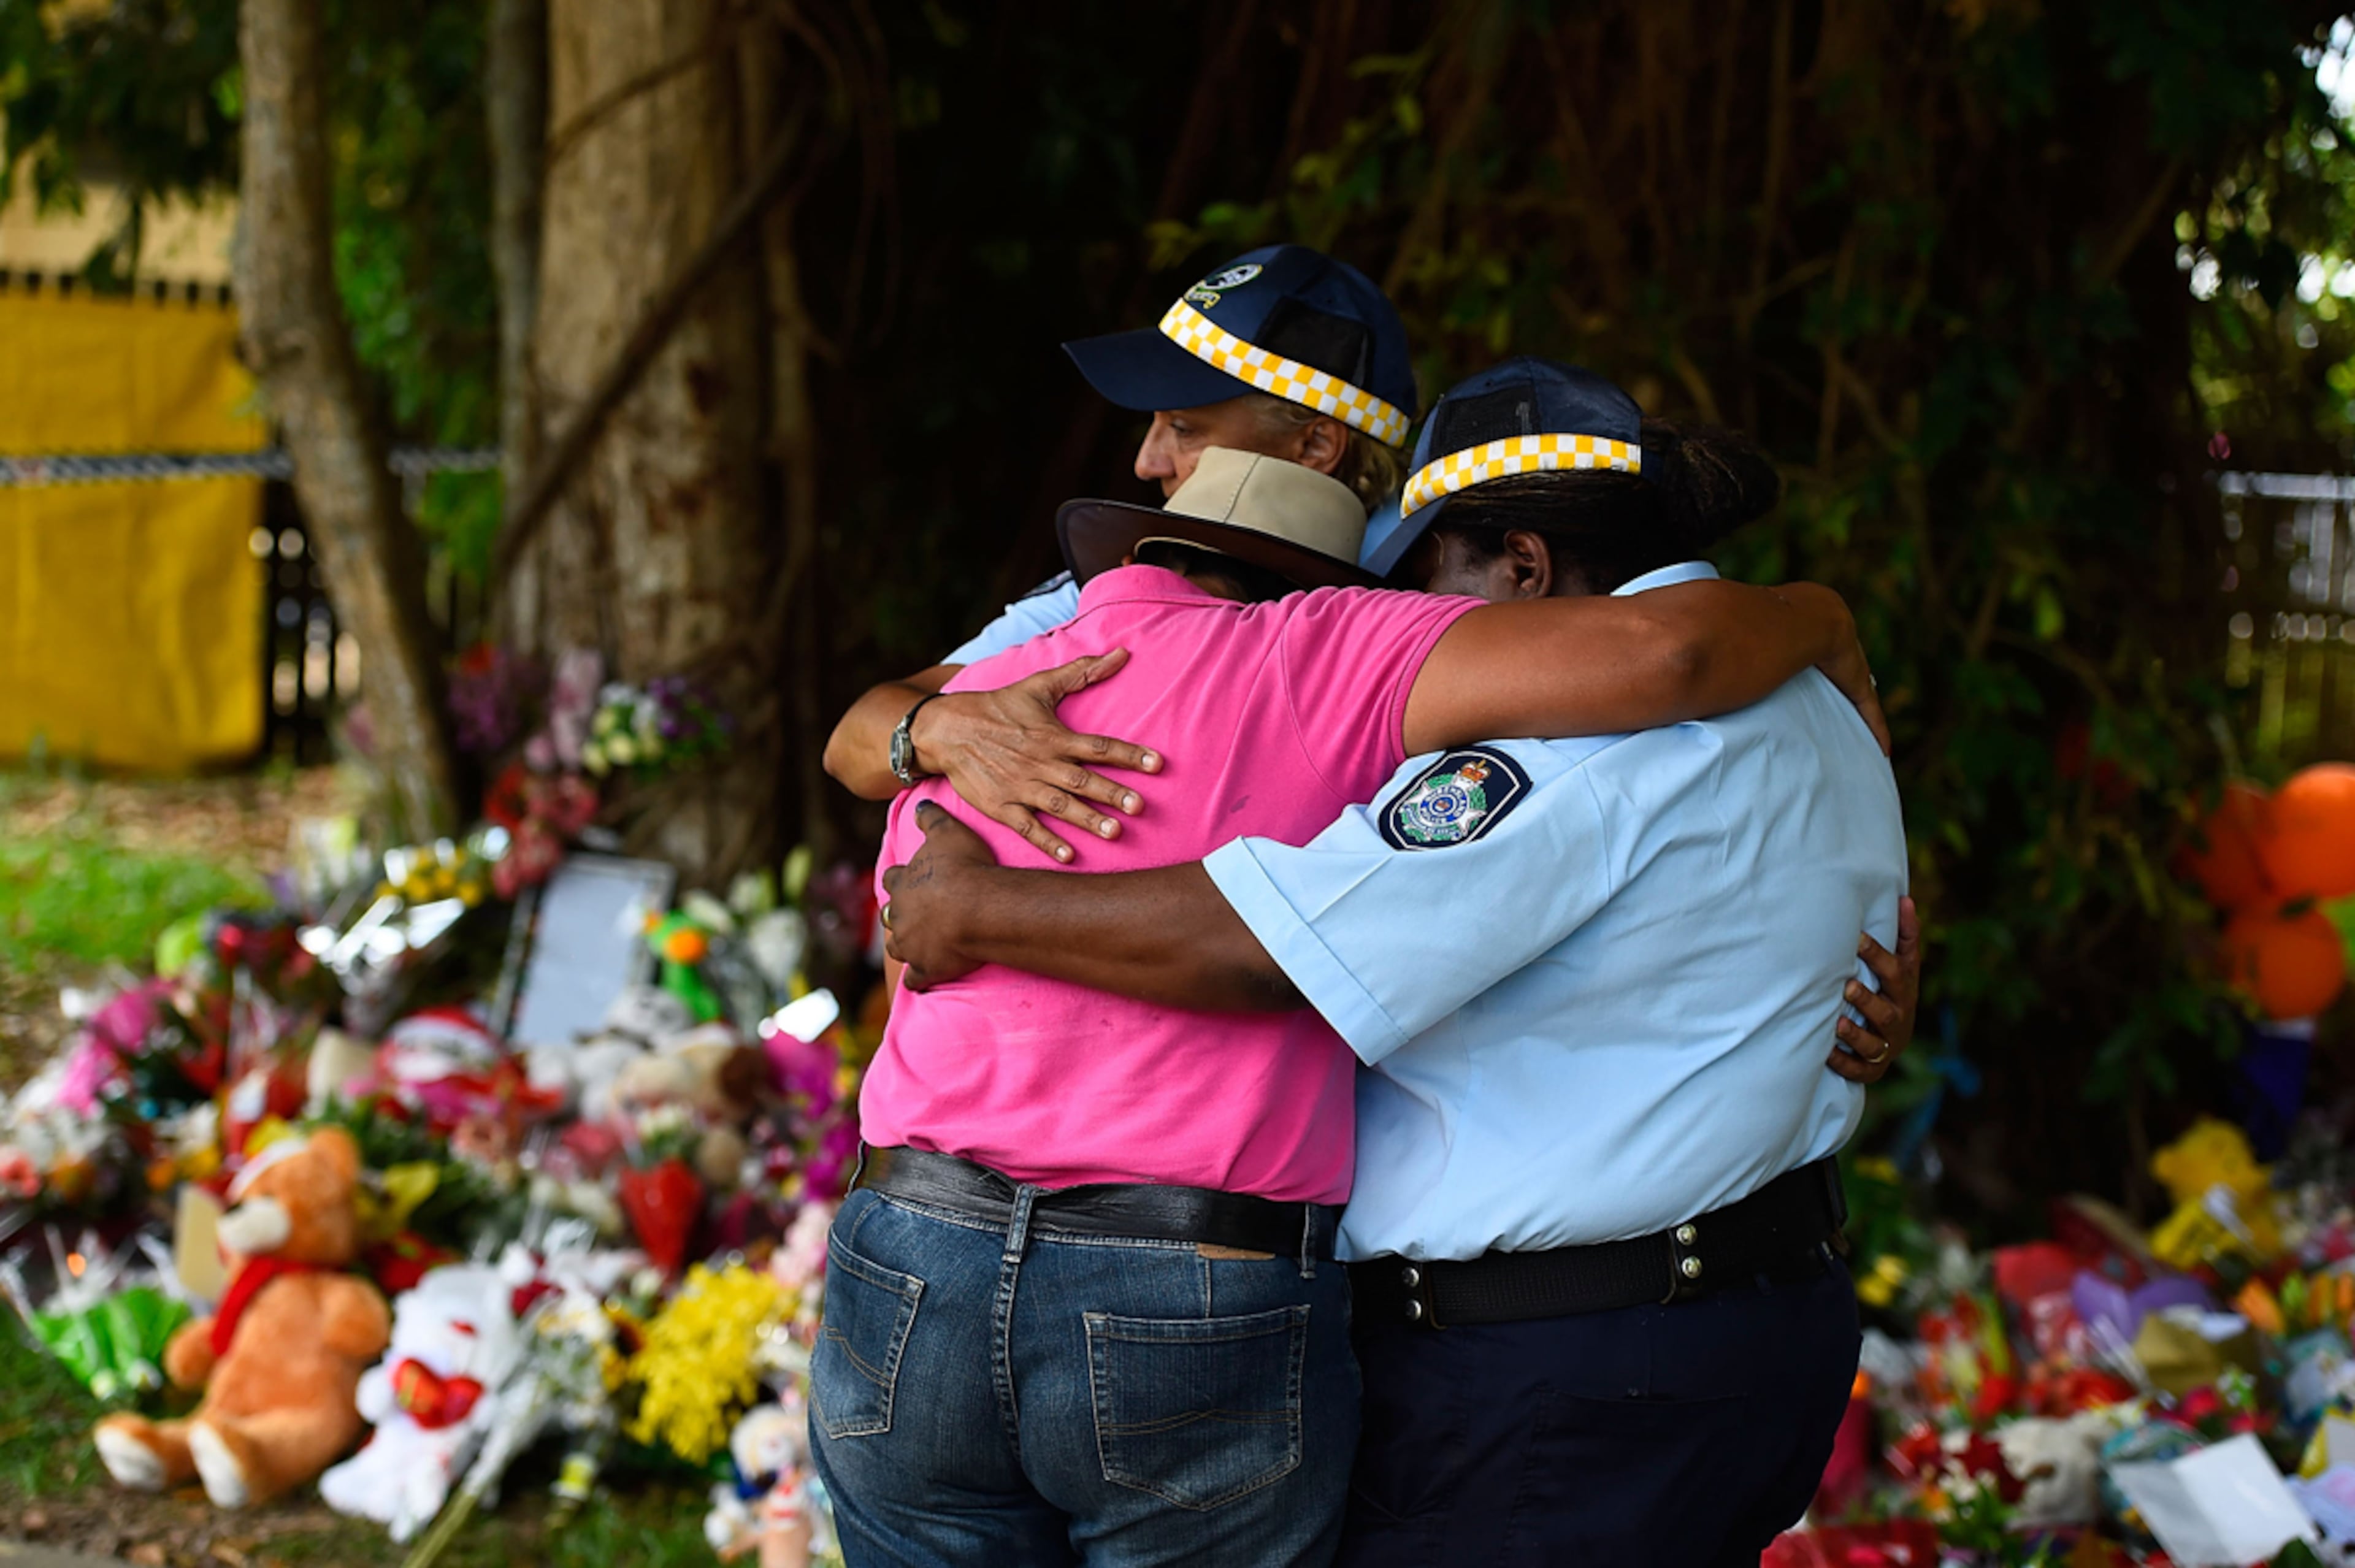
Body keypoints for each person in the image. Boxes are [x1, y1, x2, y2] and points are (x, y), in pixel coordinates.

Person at [874, 359, 1913, 1568]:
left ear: (1521, 569)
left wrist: (984, 909)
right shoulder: (1822, 702)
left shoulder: (1576, 755)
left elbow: (1262, 945)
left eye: (1429, 583)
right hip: (1757, 1324)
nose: (1415, 629)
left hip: (1562, 1382)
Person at [823, 243, 1427, 865]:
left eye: (1185, 429)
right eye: (1156, 423)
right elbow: (852, 743)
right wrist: (941, 730)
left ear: (1316, 444)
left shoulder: (1429, 595)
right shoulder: (1123, 571)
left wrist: (990, 910)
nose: (1148, 462)